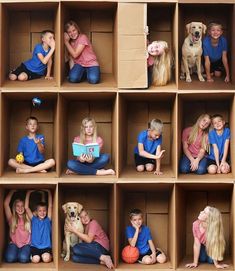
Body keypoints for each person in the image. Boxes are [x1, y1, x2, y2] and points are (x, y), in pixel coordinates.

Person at [25, 189, 52, 263]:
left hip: (46, 247)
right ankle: (34, 256)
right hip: (35, 247)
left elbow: (50, 206)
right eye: (40, 211)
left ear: (46, 212)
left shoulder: (48, 220)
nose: (42, 212)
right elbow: (26, 208)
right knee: (36, 260)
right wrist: (28, 192)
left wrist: (49, 192)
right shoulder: (34, 219)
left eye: (44, 211)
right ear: (36, 212)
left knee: (46, 259)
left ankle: (48, 255)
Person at [4, 190, 31, 263]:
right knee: (10, 258)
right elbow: (6, 204)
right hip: (14, 244)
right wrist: (11, 191)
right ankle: (17, 253)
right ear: (14, 207)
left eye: (22, 206)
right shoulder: (11, 218)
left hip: (26, 245)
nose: (20, 208)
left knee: (23, 259)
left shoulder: (29, 217)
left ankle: (21, 254)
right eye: (18, 206)